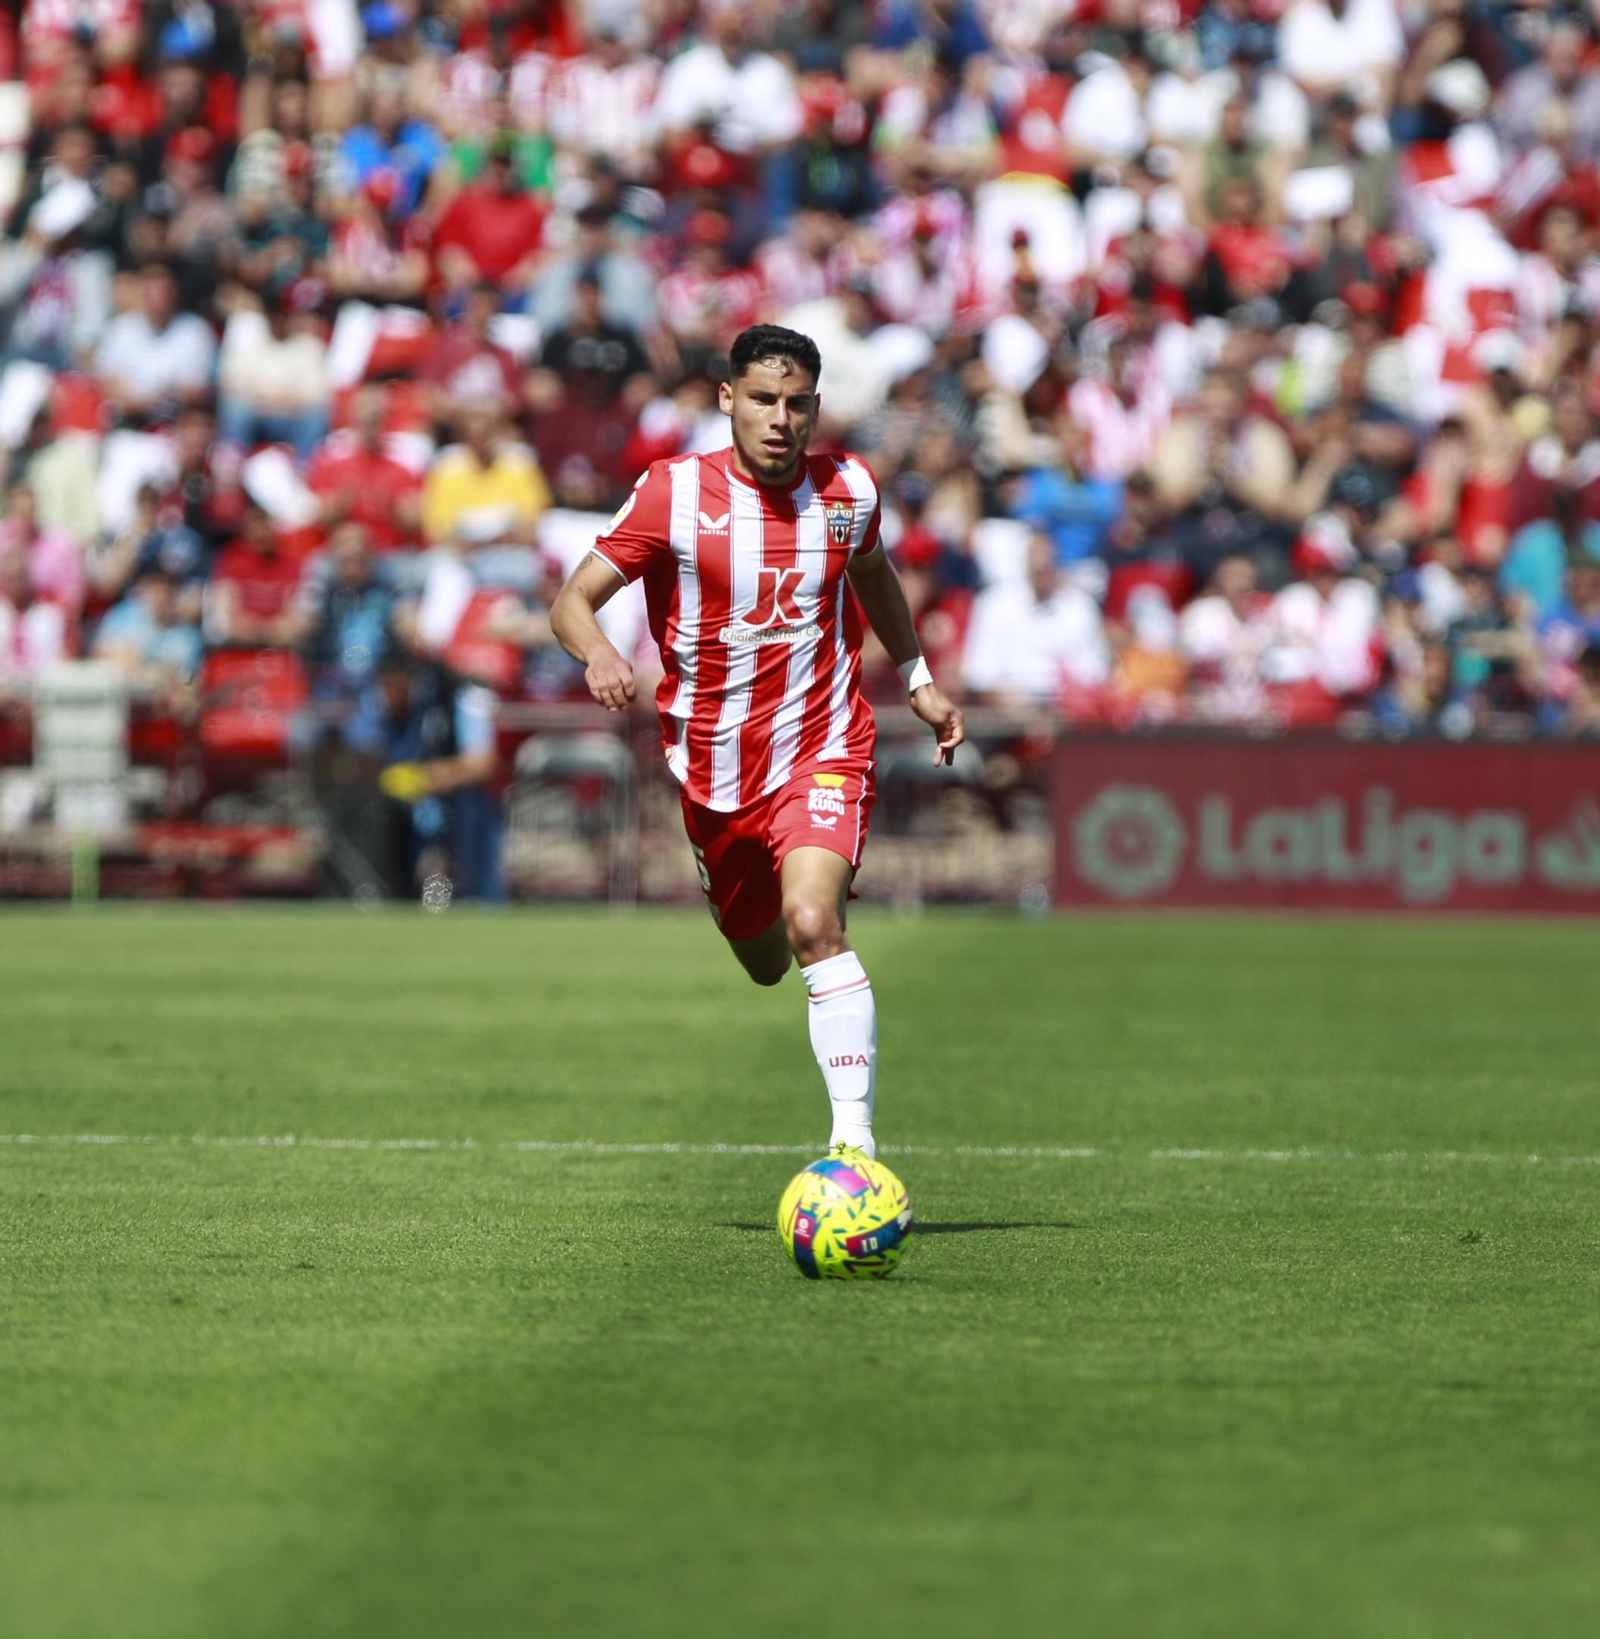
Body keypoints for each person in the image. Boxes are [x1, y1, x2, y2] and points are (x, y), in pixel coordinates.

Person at [550, 324, 964, 1160]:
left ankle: (854, 1149)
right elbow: (572, 600)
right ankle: (770, 927)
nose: (781, 418)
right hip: (713, 771)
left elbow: (873, 573)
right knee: (767, 960)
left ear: (816, 410)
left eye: (798, 403)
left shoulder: (848, 490)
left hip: (823, 744)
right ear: (728, 399)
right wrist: (598, 653)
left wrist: (917, 676)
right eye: (765, 400)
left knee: (815, 920)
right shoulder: (672, 493)